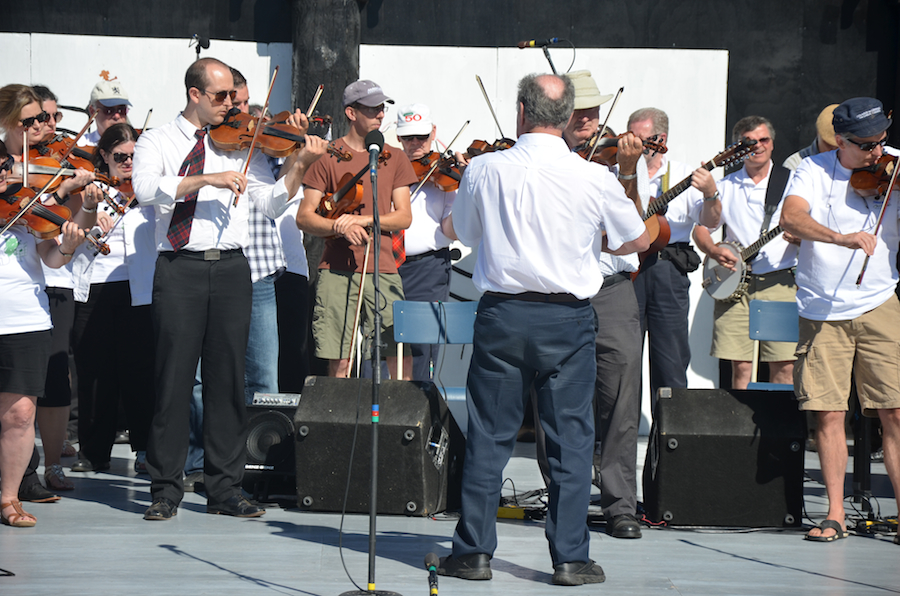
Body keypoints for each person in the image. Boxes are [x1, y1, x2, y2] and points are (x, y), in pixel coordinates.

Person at [437, 73, 649, 585]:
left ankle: (473, 553)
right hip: (567, 318)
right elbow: (637, 239)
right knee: (570, 441)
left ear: (520, 111)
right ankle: (570, 558)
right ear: (569, 116)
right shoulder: (594, 177)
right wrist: (590, 243)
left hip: (503, 314)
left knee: (489, 435)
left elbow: (458, 232)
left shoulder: (485, 168)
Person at [132, 57, 327, 521]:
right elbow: (144, 189)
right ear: (195, 94)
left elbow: (270, 203)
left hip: (233, 268)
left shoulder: (245, 146)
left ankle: (225, 488)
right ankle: (166, 487)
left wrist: (298, 164)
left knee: (227, 382)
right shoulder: (157, 140)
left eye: (234, 97)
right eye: (222, 97)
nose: (232, 105)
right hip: (180, 266)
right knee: (174, 379)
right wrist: (205, 179)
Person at [779, 97, 900, 543]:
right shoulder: (812, 170)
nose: (877, 154)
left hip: (879, 302)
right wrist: (841, 239)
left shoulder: (895, 167)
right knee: (829, 414)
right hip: (822, 309)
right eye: (866, 146)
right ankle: (834, 514)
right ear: (840, 141)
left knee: (895, 410)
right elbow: (793, 216)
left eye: (881, 142)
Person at [555, 69, 646, 540]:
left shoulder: (622, 158)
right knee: (558, 397)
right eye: (579, 112)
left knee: (621, 392)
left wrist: (626, 173)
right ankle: (561, 497)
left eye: (594, 111)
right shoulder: (546, 160)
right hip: (561, 290)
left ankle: (619, 503)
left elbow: (630, 234)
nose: (589, 120)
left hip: (611, 290)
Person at [0, 132, 96, 526]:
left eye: (6, 166)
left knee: (21, 413)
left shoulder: (27, 209)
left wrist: (71, 243)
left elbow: (53, 258)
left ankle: (8, 498)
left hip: (25, 319)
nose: (5, 174)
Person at [296, 80, 416, 379]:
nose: (380, 114)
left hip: (384, 268)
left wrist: (364, 221)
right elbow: (304, 217)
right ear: (351, 113)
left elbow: (403, 217)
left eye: (381, 108)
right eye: (372, 108)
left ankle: (399, 422)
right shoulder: (327, 154)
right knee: (340, 358)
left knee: (397, 353)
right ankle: (339, 422)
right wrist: (338, 225)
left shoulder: (395, 157)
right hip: (337, 269)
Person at [70, 123, 157, 475]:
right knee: (95, 373)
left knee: (140, 373)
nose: (128, 164)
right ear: (103, 156)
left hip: (140, 287)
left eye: (135, 157)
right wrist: (90, 211)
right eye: (120, 157)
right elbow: (73, 234)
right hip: (96, 287)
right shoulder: (87, 191)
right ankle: (93, 450)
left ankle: (146, 449)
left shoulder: (147, 192)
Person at [693, 116, 798, 389]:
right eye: (750, 142)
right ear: (737, 148)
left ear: (773, 144)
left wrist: (801, 238)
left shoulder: (792, 183)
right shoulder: (725, 186)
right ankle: (739, 430)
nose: (758, 146)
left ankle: (779, 431)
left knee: (784, 366)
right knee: (740, 368)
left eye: (764, 140)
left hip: (780, 281)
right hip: (735, 283)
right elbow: (703, 229)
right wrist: (714, 250)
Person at [627, 107, 721, 408]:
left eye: (639, 138)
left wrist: (710, 194)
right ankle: (611, 443)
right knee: (622, 359)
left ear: (660, 138)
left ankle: (669, 442)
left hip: (668, 269)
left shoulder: (682, 174)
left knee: (670, 358)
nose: (632, 145)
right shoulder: (620, 172)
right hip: (628, 269)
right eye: (629, 137)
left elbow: (711, 221)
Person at [395, 103, 457, 381]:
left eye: (422, 137)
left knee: (420, 345)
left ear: (433, 133)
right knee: (382, 343)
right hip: (387, 264)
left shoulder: (444, 175)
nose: (416, 144)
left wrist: (465, 190)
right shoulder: (389, 167)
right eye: (409, 138)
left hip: (427, 267)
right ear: (398, 138)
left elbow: (451, 231)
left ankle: (416, 414)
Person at [783, 104, 838, 171]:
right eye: (829, 144)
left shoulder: (853, 163)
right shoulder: (796, 164)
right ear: (818, 133)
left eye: (841, 145)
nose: (834, 150)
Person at [83, 78, 131, 147]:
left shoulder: (139, 146)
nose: (117, 116)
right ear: (92, 111)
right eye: (109, 111)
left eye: (121, 110)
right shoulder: (81, 145)